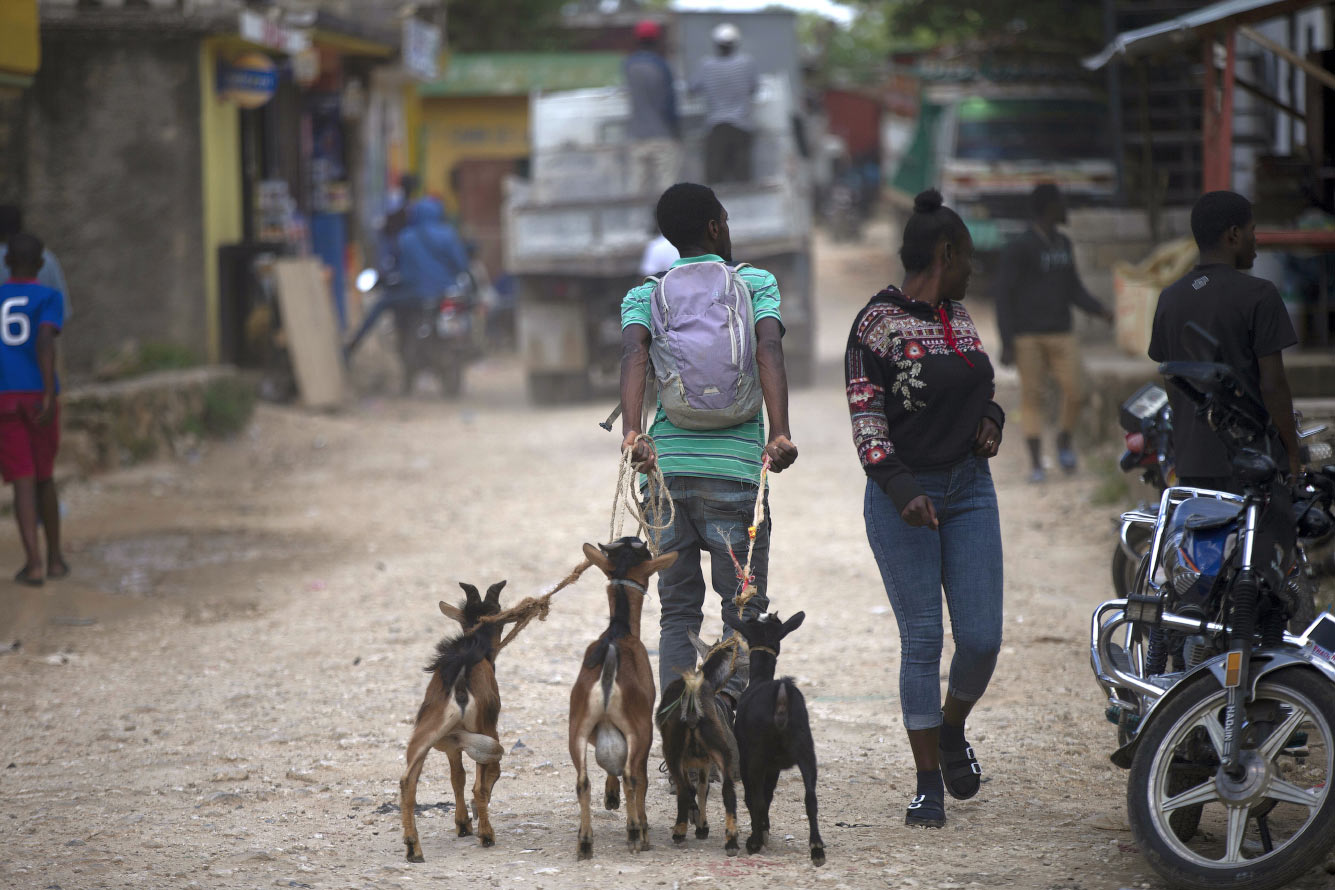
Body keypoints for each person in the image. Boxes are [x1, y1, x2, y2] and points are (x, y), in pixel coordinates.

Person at [846, 189, 1004, 828]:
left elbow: (981, 385)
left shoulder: (957, 317)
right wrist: (900, 487)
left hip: (970, 490)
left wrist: (991, 418)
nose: (973, 271)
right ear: (945, 254)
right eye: (967, 257)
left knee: (982, 639)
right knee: (923, 640)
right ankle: (926, 784)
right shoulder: (875, 327)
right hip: (903, 498)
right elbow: (867, 421)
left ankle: (951, 727)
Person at [619, 182, 798, 714]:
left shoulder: (646, 295)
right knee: (742, 611)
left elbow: (633, 356)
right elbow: (769, 347)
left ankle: (679, 723)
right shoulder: (756, 283)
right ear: (717, 226)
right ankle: (725, 716)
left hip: (666, 478)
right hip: (735, 476)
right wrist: (779, 432)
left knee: (677, 613)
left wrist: (633, 433)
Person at [1148, 190, 1300, 490]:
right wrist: (1293, 454)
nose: (1256, 241)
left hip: (1192, 465)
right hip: (1254, 464)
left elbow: (1172, 382)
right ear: (1234, 235)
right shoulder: (1260, 295)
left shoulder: (1169, 298)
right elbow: (1273, 386)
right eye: (1252, 231)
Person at [993, 183, 1112, 482]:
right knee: (1033, 397)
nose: (1065, 208)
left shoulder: (1063, 244)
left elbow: (1074, 288)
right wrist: (1007, 341)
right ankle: (1036, 464)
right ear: (1048, 208)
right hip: (1027, 336)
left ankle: (1063, 439)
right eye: (1061, 203)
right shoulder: (1019, 247)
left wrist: (1099, 310)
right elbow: (1003, 295)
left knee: (1077, 390)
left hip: (1061, 331)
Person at [0, 234, 68, 586]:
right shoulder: (50, 297)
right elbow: (44, 339)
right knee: (45, 476)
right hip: (38, 395)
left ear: (6, 262)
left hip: (5, 397)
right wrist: (48, 392)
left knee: (22, 480)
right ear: (41, 265)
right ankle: (55, 560)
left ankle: (33, 565)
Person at [690, 23, 758, 184]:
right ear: (735, 43)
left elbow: (692, 88)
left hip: (716, 127)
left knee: (715, 181)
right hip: (742, 127)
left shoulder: (706, 66)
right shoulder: (746, 63)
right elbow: (754, 88)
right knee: (743, 182)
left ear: (716, 44)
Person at [624, 20, 681, 194]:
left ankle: (636, 213)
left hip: (637, 135)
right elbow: (669, 103)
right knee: (667, 189)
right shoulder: (662, 66)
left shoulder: (629, 65)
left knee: (637, 188)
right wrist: (676, 131)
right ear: (656, 40)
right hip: (662, 135)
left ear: (637, 39)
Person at [0, 205, 70, 320]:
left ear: (7, 260)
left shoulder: (8, 257)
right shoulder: (45, 257)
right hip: (40, 327)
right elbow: (61, 311)